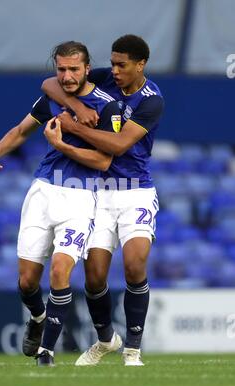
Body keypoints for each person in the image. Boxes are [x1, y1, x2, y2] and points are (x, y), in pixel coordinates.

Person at [0, 41, 122, 366]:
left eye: (74, 69)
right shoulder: (51, 100)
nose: (68, 76)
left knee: (60, 270)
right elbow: (20, 131)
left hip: (80, 196)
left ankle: (46, 351)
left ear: (88, 68)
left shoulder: (107, 107)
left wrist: (62, 145)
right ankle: (38, 316)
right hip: (42, 191)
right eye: (61, 69)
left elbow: (103, 161)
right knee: (28, 280)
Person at [42, 34, 164, 366]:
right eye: (112, 63)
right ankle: (106, 339)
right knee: (94, 276)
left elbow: (118, 145)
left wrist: (74, 126)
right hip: (98, 192)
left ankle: (133, 350)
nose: (115, 70)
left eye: (122, 65)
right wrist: (78, 107)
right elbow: (51, 84)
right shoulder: (105, 79)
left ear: (141, 65)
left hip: (135, 189)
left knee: (134, 264)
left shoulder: (151, 100)